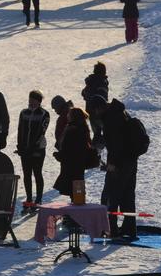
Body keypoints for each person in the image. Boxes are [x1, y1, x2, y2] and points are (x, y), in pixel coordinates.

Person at [101, 100, 147, 241]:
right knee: (128, 196)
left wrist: (112, 164)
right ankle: (130, 229)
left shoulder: (111, 119)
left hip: (118, 164)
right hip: (131, 161)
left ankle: (112, 230)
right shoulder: (121, 113)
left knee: (110, 196)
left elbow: (115, 144)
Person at [16, 91, 50, 207]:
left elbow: (41, 131)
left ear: (39, 101)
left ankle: (39, 198)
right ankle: (29, 198)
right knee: (26, 173)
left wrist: (33, 147)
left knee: (37, 172)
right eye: (30, 99)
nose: (30, 102)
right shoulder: (23, 113)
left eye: (33, 100)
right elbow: (20, 129)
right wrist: (20, 146)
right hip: (25, 148)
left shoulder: (44, 114)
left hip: (38, 149)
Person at [53, 108, 97, 197]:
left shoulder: (72, 129)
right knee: (77, 192)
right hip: (78, 165)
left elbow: (69, 149)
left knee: (75, 193)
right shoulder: (82, 127)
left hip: (71, 165)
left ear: (73, 116)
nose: (67, 116)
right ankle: (79, 206)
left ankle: (78, 208)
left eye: (69, 114)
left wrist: (59, 155)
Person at [82, 63, 110, 147]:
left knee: (97, 134)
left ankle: (95, 152)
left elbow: (83, 93)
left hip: (90, 112)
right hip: (100, 113)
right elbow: (103, 97)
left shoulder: (90, 81)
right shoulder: (102, 82)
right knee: (107, 133)